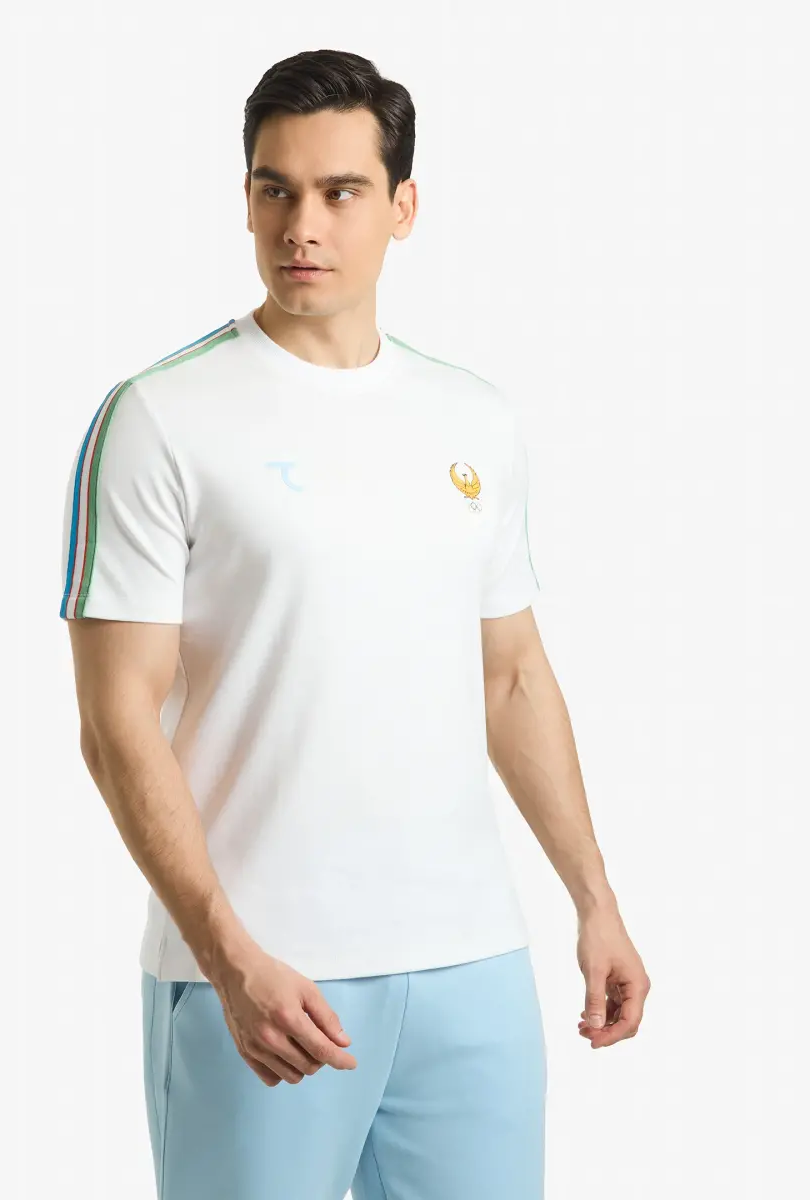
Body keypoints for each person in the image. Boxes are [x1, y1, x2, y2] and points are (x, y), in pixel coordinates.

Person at [60, 47, 650, 1200]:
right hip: (262, 974)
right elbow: (115, 718)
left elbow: (513, 676)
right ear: (245, 200)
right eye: (275, 189)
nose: (303, 226)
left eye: (340, 192)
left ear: (403, 207)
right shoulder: (160, 418)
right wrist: (226, 955)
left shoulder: (472, 417)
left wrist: (595, 900)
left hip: (472, 964)